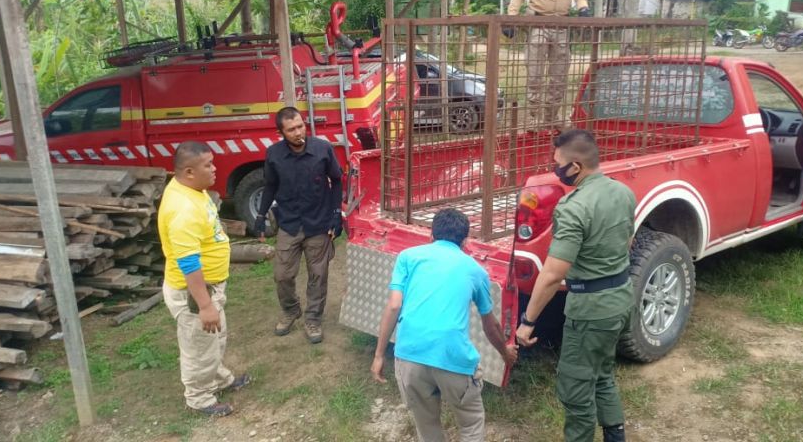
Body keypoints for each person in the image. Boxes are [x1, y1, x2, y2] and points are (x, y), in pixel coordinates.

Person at [515, 130, 636, 442]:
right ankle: (615, 434)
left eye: (558, 164)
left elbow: (553, 275)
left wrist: (527, 322)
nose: (555, 169)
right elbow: (628, 241)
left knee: (575, 385)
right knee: (602, 371)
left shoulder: (573, 207)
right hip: (621, 299)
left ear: (576, 167)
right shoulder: (623, 192)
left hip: (592, 310)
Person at [370, 208, 518, 442]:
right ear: (465, 241)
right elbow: (491, 326)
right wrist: (505, 352)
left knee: (427, 427)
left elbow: (394, 306)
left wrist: (379, 355)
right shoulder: (476, 271)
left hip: (409, 356)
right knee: (471, 423)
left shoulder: (408, 257)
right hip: (453, 358)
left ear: (431, 234)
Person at [159, 141, 250, 417]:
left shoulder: (191, 190)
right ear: (188, 171)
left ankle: (218, 378)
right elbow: (188, 263)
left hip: (208, 290)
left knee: (214, 340)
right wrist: (205, 305)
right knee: (199, 347)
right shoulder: (182, 209)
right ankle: (199, 398)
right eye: (207, 165)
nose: (214, 169)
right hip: (195, 294)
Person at [255, 107, 344, 344]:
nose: (298, 132)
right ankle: (291, 310)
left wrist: (337, 214)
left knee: (318, 275)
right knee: (282, 275)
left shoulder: (322, 149)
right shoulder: (274, 154)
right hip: (289, 224)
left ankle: (313, 318)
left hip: (319, 223)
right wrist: (260, 215)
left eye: (300, 126)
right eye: (291, 129)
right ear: (281, 132)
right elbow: (270, 186)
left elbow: (336, 180)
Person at [505, 0, 591, 130]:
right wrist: (511, 16)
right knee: (534, 75)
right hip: (538, 22)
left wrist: (583, 7)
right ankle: (533, 117)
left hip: (562, 24)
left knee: (559, 76)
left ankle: (552, 117)